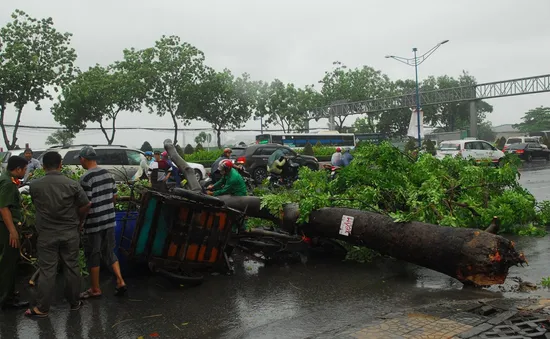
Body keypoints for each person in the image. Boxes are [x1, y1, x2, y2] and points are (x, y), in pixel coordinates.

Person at [25, 152, 91, 318]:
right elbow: (85, 204)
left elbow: (36, 203)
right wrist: (79, 220)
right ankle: (75, 303)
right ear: (60, 164)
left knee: (47, 270)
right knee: (72, 267)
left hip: (47, 234)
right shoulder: (72, 184)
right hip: (70, 232)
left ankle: (42, 308)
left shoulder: (35, 185)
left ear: (44, 166)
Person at [78, 146, 127, 299]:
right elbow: (114, 197)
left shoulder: (85, 178)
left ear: (84, 159)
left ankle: (95, 289)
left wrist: (80, 222)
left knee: (93, 254)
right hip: (109, 220)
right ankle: (120, 280)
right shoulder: (108, 174)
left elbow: (86, 204)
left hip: (94, 222)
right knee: (109, 252)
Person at [0, 156, 29, 310]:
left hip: (5, 227)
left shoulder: (6, 179)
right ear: (17, 169)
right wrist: (13, 231)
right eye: (24, 169)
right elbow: (4, 208)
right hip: (6, 228)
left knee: (7, 261)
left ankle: (8, 292)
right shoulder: (7, 183)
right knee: (8, 263)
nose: (25, 172)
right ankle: (6, 299)